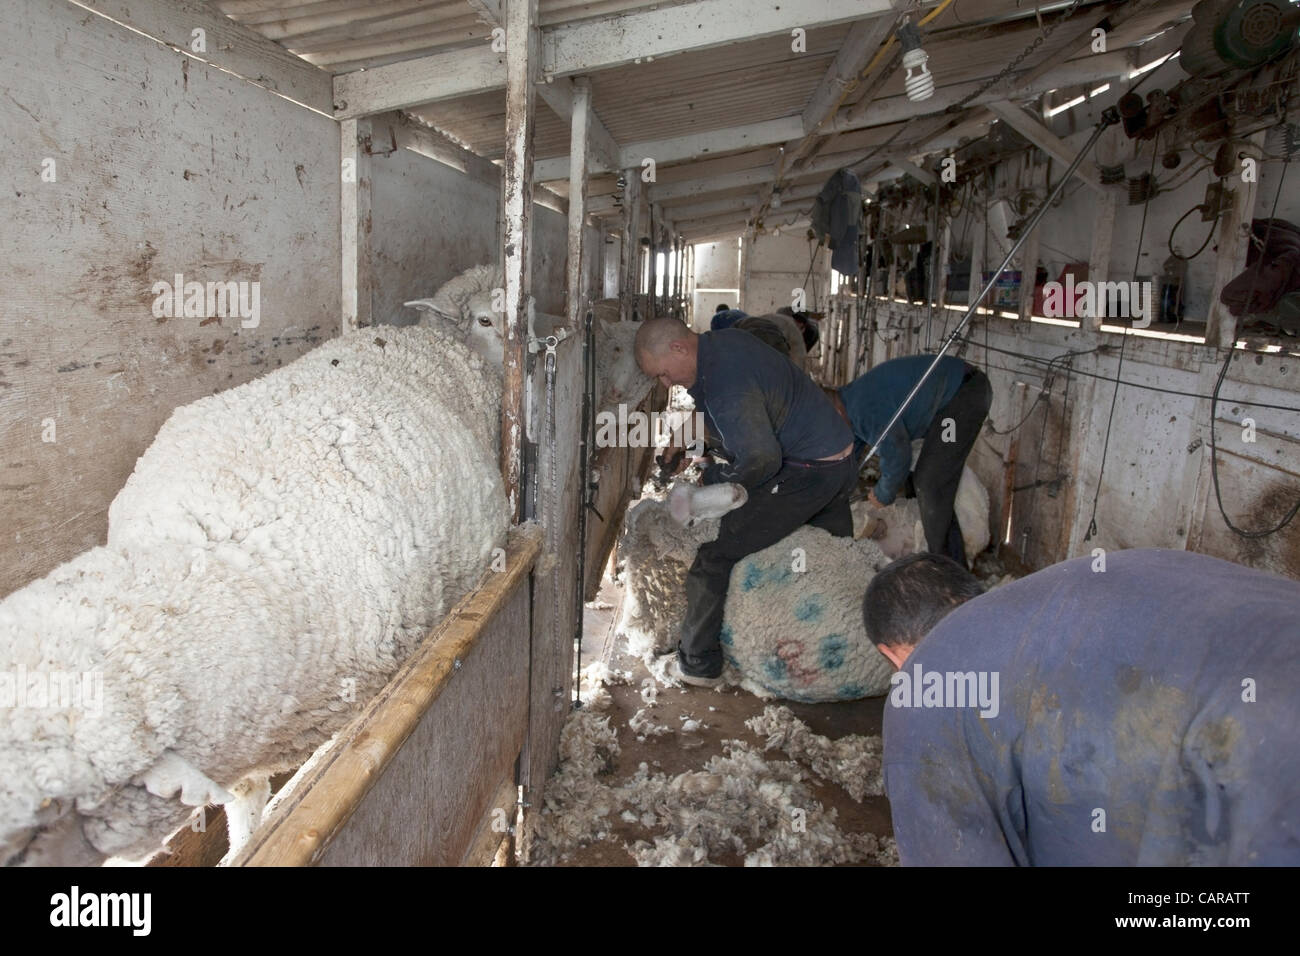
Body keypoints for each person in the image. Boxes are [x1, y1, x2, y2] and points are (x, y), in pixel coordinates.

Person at [863, 549, 1300, 866]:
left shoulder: (928, 682)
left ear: (894, 654)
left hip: (1263, 754)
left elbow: (950, 852)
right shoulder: (1062, 592)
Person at [634, 318, 856, 687]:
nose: (666, 384)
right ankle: (840, 648)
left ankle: (698, 665)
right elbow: (738, 413)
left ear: (678, 349)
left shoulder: (725, 386)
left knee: (713, 556)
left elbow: (761, 460)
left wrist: (714, 484)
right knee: (830, 556)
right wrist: (692, 438)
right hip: (838, 457)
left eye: (663, 374)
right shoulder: (723, 343)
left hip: (806, 475)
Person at [837, 354, 991, 565]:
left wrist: (883, 494)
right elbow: (848, 460)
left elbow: (898, 453)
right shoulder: (848, 404)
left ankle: (949, 568)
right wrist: (837, 495)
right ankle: (923, 541)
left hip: (962, 396)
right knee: (918, 474)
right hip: (947, 400)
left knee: (930, 482)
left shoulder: (863, 409)